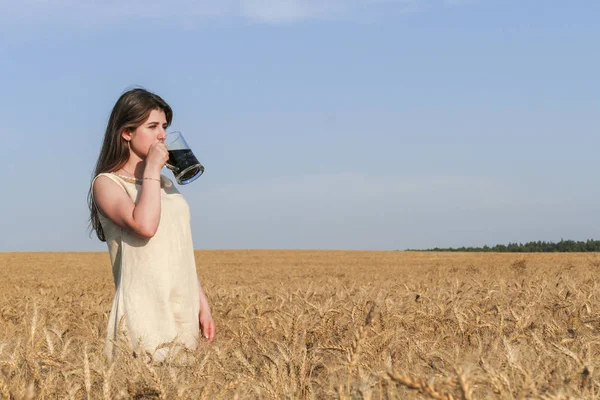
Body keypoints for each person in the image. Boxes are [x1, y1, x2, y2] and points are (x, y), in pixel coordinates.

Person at [87, 88, 215, 362]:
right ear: (127, 132)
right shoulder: (107, 184)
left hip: (182, 304)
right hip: (144, 309)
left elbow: (177, 246)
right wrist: (152, 170)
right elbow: (144, 226)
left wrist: (201, 303)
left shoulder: (166, 184)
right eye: (153, 126)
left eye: (165, 127)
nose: (162, 136)